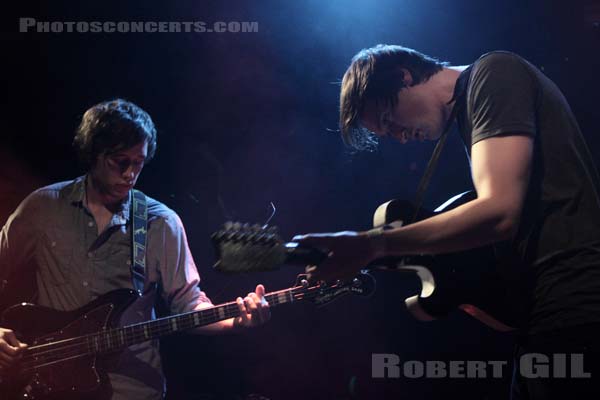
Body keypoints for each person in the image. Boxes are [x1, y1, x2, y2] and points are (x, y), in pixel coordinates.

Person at [293, 45, 600, 398]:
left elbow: (499, 212)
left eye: (389, 121)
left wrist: (371, 246)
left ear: (403, 77)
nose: (400, 136)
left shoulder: (493, 74)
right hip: (545, 316)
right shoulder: (473, 105)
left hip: (576, 311)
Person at [0, 99, 271, 399]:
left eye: (138, 163)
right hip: (46, 386)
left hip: (130, 390)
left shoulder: (161, 223)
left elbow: (189, 304)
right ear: (94, 154)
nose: (130, 173)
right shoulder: (44, 207)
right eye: (120, 162)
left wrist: (237, 318)